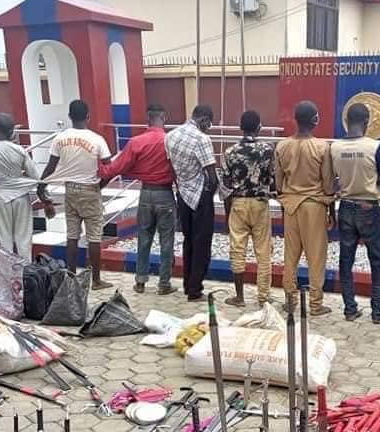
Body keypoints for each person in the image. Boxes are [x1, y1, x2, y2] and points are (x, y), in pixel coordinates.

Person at [99, 104, 177, 295]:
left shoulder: (136, 142)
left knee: (144, 238)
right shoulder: (171, 142)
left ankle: (140, 281)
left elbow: (117, 166)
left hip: (146, 193)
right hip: (165, 193)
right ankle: (164, 284)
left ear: (147, 120)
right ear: (164, 118)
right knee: (167, 241)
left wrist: (100, 171)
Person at [39, 99, 113, 289]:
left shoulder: (60, 139)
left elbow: (50, 167)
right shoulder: (97, 139)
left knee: (72, 235)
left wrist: (41, 187)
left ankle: (71, 276)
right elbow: (109, 168)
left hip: (70, 190)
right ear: (88, 116)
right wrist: (100, 186)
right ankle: (96, 280)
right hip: (90, 190)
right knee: (94, 237)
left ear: (70, 116)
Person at [331, 103, 380, 323]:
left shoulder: (334, 147)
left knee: (346, 260)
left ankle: (350, 309)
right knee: (377, 261)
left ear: (346, 122)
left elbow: (332, 180)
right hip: (369, 207)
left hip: (345, 207)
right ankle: (378, 312)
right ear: (366, 122)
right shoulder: (375, 147)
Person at [275, 101, 334, 316]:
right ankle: (316, 304)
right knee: (316, 257)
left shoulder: (282, 146)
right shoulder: (322, 147)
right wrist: (331, 210)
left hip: (291, 205)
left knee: (290, 256)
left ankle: (290, 300)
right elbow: (328, 184)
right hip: (314, 206)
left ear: (295, 119)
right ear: (315, 120)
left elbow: (278, 182)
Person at [219, 109, 276, 308]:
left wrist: (228, 213)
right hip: (260, 203)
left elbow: (226, 186)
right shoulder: (268, 150)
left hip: (238, 203)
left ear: (240, 128)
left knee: (237, 250)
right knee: (263, 252)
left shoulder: (229, 152)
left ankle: (239, 297)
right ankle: (263, 297)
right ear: (259, 127)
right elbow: (273, 180)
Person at [165, 104, 219, 301]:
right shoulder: (201, 139)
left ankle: (188, 284)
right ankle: (195, 290)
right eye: (209, 124)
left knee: (188, 241)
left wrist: (181, 187)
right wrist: (209, 197)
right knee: (202, 244)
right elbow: (212, 177)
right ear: (204, 120)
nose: (208, 128)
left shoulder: (171, 135)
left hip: (182, 195)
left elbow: (171, 167)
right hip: (200, 197)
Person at [0, 114, 43, 259]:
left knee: (5, 240)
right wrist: (44, 197)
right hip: (21, 198)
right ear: (11, 131)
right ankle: (25, 269)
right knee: (24, 239)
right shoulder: (19, 150)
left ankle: (8, 271)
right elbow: (35, 177)